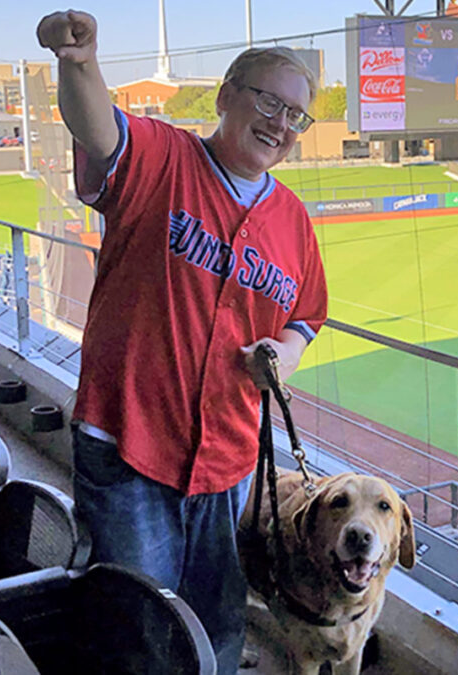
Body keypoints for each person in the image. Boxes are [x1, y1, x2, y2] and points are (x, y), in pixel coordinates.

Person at [37, 10, 328, 673]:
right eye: (269, 101)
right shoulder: (165, 158)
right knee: (140, 626)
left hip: (225, 459)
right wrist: (79, 63)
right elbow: (99, 130)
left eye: (296, 116)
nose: (281, 123)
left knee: (217, 619)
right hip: (130, 441)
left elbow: (306, 312)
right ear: (226, 95)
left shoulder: (292, 221)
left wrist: (286, 351)